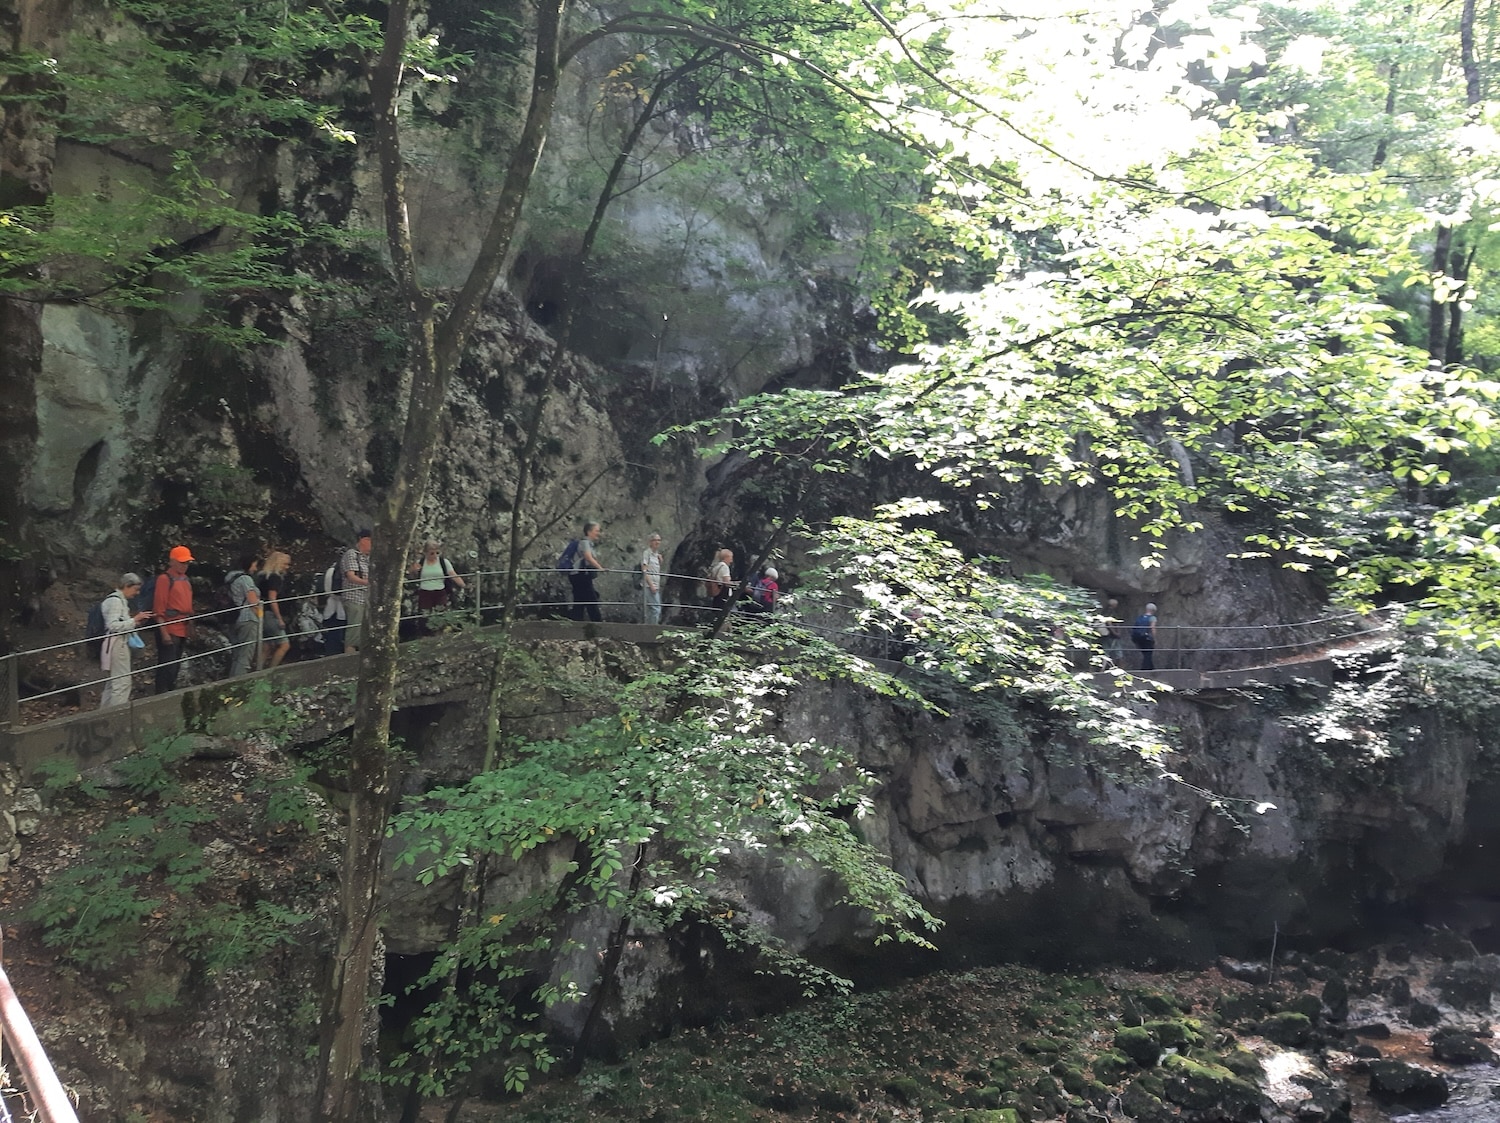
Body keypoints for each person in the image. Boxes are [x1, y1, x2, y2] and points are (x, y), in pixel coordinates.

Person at [99, 573, 153, 709]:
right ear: (127, 586)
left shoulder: (117, 600)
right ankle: (116, 715)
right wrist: (134, 620)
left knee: (112, 683)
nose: (137, 593)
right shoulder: (116, 601)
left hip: (115, 642)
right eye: (135, 589)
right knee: (122, 683)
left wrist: (134, 622)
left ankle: (104, 713)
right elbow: (112, 625)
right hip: (118, 643)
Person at [152, 544, 195, 694]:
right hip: (170, 628)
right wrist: (164, 632)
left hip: (182, 627)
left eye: (187, 563)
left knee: (175, 666)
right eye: (182, 562)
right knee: (167, 666)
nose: (185, 565)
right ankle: (160, 696)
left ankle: (169, 694)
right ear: (172, 562)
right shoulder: (164, 579)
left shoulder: (185, 579)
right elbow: (159, 609)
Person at [409, 539, 464, 629]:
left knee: (441, 616)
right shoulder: (420, 563)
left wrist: (464, 585)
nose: (435, 556)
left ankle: (440, 636)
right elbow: (412, 576)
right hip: (425, 593)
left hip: (440, 592)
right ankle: (426, 637)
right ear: (425, 553)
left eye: (437, 553)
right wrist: (413, 570)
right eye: (432, 553)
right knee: (424, 618)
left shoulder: (443, 562)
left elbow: (453, 575)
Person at [225, 552, 263, 677]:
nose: (255, 568)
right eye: (254, 565)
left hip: (234, 617)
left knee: (237, 653)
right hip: (248, 618)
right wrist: (260, 615)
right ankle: (240, 682)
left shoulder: (230, 577)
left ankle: (231, 680)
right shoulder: (246, 579)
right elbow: (253, 601)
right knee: (245, 653)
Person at [257, 550, 292, 669]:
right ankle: (271, 670)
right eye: (285, 564)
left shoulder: (262, 577)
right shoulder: (275, 578)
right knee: (284, 644)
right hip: (271, 614)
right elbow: (272, 598)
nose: (287, 567)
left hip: (262, 613)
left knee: (266, 646)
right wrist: (279, 618)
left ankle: (258, 671)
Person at [341, 528, 372, 652]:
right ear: (362, 540)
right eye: (370, 540)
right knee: (354, 632)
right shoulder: (352, 554)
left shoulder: (368, 558)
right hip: (354, 598)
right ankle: (349, 659)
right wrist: (368, 583)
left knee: (364, 631)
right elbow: (351, 576)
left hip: (366, 599)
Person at [569, 521, 604, 622]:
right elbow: (588, 557)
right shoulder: (585, 543)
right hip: (581, 574)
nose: (599, 533)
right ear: (589, 532)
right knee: (591, 598)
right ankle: (597, 622)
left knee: (580, 598)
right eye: (597, 531)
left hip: (578, 574)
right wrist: (600, 568)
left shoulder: (587, 543)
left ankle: (576, 620)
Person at [640, 533, 663, 624]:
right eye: (655, 540)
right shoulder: (647, 553)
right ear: (650, 542)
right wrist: (651, 585)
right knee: (656, 608)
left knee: (652, 609)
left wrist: (660, 561)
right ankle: (654, 629)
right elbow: (644, 570)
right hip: (649, 585)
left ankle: (649, 628)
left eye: (659, 540)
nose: (657, 542)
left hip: (655, 585)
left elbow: (654, 569)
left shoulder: (656, 555)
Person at [1131, 602, 1158, 671]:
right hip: (1146, 638)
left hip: (1138, 638)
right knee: (1148, 654)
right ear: (1153, 611)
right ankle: (1144, 670)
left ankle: (1152, 668)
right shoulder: (1152, 618)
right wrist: (1155, 639)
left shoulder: (1140, 617)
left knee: (1146, 654)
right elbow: (1152, 628)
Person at [1100, 597, 1125, 667]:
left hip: (1104, 634)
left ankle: (1102, 668)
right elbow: (1109, 622)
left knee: (1106, 652)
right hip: (1112, 636)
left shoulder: (1104, 611)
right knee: (1118, 652)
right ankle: (1121, 668)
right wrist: (1115, 633)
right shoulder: (1111, 612)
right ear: (1114, 605)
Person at [709, 548, 734, 612]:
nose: (731, 560)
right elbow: (727, 582)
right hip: (723, 593)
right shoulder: (725, 567)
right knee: (723, 612)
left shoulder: (717, 566)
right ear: (726, 557)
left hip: (716, 592)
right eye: (731, 557)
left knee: (716, 611)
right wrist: (736, 584)